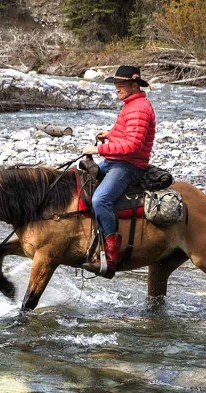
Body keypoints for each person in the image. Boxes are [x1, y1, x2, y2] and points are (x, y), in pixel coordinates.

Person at [81, 65, 156, 279]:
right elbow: (126, 132)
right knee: (81, 182)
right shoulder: (131, 105)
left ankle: (111, 257)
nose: (116, 88)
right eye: (116, 84)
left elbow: (132, 145)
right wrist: (111, 134)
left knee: (100, 200)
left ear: (134, 85)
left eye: (120, 84)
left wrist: (98, 149)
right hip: (116, 161)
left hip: (128, 166)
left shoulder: (140, 108)